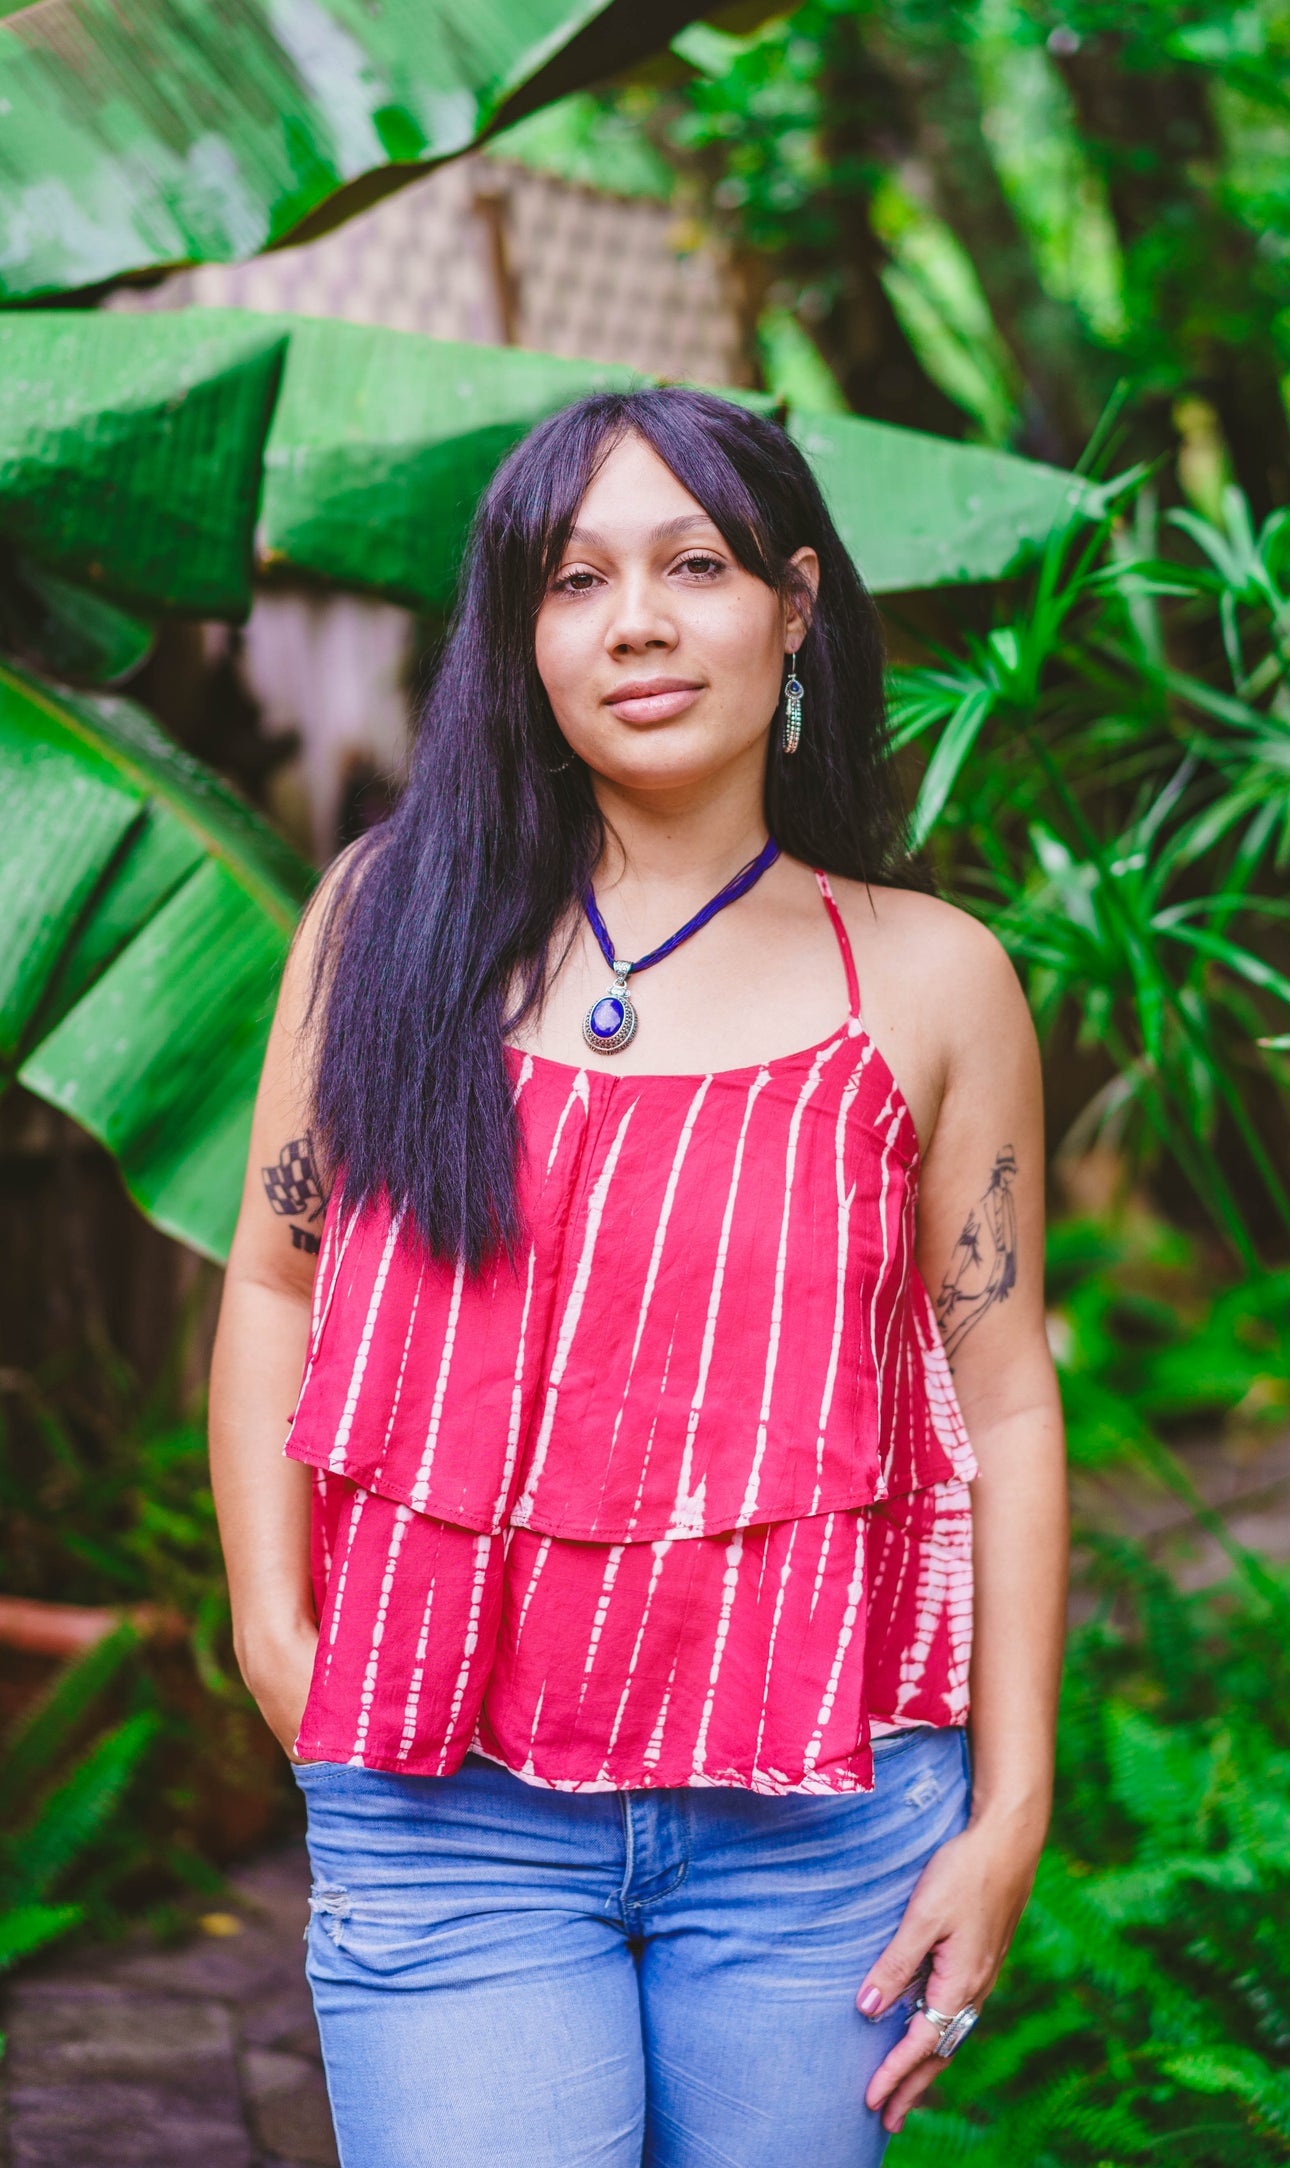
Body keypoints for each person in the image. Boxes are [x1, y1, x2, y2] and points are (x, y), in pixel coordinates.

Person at [210, 387, 1068, 2166]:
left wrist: (1008, 1812)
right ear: (521, 637)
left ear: (796, 605)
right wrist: (277, 1636)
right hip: (448, 1803)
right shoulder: (387, 924)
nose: (639, 622)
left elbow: (1002, 1395)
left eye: (695, 564)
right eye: (575, 578)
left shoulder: (924, 977)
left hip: (822, 1821)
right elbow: (276, 1283)